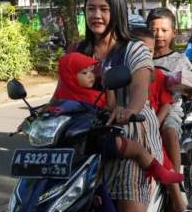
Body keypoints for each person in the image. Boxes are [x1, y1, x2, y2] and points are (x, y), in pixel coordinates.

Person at [73, 0, 167, 212]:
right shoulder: (80, 49)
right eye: (91, 8)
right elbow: (66, 88)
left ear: (117, 11)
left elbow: (140, 85)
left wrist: (130, 110)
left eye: (104, 9)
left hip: (129, 130)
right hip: (88, 134)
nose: (96, 15)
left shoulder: (133, 49)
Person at [53, 52, 182, 185]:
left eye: (91, 72)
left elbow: (111, 108)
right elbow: (110, 106)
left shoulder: (82, 95)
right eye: (84, 73)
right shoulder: (68, 97)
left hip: (92, 141)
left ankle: (162, 174)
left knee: (138, 148)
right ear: (69, 77)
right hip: (79, 144)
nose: (91, 76)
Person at [130, 27, 192, 212]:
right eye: (139, 51)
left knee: (161, 156)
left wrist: (153, 124)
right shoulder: (120, 78)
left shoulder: (159, 76)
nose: (145, 57)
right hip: (129, 131)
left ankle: (179, 204)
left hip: (151, 128)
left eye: (149, 53)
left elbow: (167, 104)